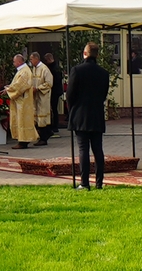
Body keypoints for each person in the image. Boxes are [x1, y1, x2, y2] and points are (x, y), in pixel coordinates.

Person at [65, 42, 110, 189]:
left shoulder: (77, 70)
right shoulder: (104, 73)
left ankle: (84, 183)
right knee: (98, 149)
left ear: (85, 53)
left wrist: (72, 109)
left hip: (80, 113)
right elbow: (103, 94)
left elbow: (70, 94)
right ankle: (99, 183)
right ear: (97, 55)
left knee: (83, 148)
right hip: (96, 113)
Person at [6, 55, 41, 148]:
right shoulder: (22, 70)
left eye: (14, 61)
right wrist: (9, 87)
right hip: (20, 101)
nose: (13, 64)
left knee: (23, 120)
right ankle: (21, 140)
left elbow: (21, 85)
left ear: (19, 62)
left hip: (23, 101)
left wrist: (9, 89)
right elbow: (17, 83)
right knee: (20, 120)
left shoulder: (25, 71)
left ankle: (23, 141)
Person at [42, 48, 64, 140]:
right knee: (54, 108)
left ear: (48, 59)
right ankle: (55, 125)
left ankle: (54, 125)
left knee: (53, 108)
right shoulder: (57, 67)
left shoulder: (52, 68)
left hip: (54, 91)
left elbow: (53, 81)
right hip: (57, 90)